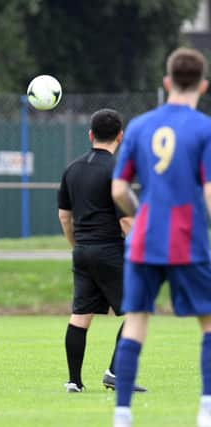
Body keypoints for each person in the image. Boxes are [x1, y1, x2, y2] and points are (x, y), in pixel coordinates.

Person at [111, 47, 211, 427]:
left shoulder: (138, 126)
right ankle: (206, 408)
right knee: (207, 322)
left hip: (145, 239)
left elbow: (119, 190)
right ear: (202, 85)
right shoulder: (204, 129)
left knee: (136, 322)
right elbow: (209, 193)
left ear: (167, 82)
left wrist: (139, 216)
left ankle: (122, 414)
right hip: (188, 238)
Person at [58, 109, 146, 394]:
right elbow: (125, 219)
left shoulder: (72, 169)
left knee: (80, 316)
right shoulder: (117, 171)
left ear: (90, 135)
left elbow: (64, 215)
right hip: (110, 249)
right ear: (121, 136)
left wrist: (76, 246)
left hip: (82, 249)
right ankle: (115, 374)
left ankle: (74, 381)